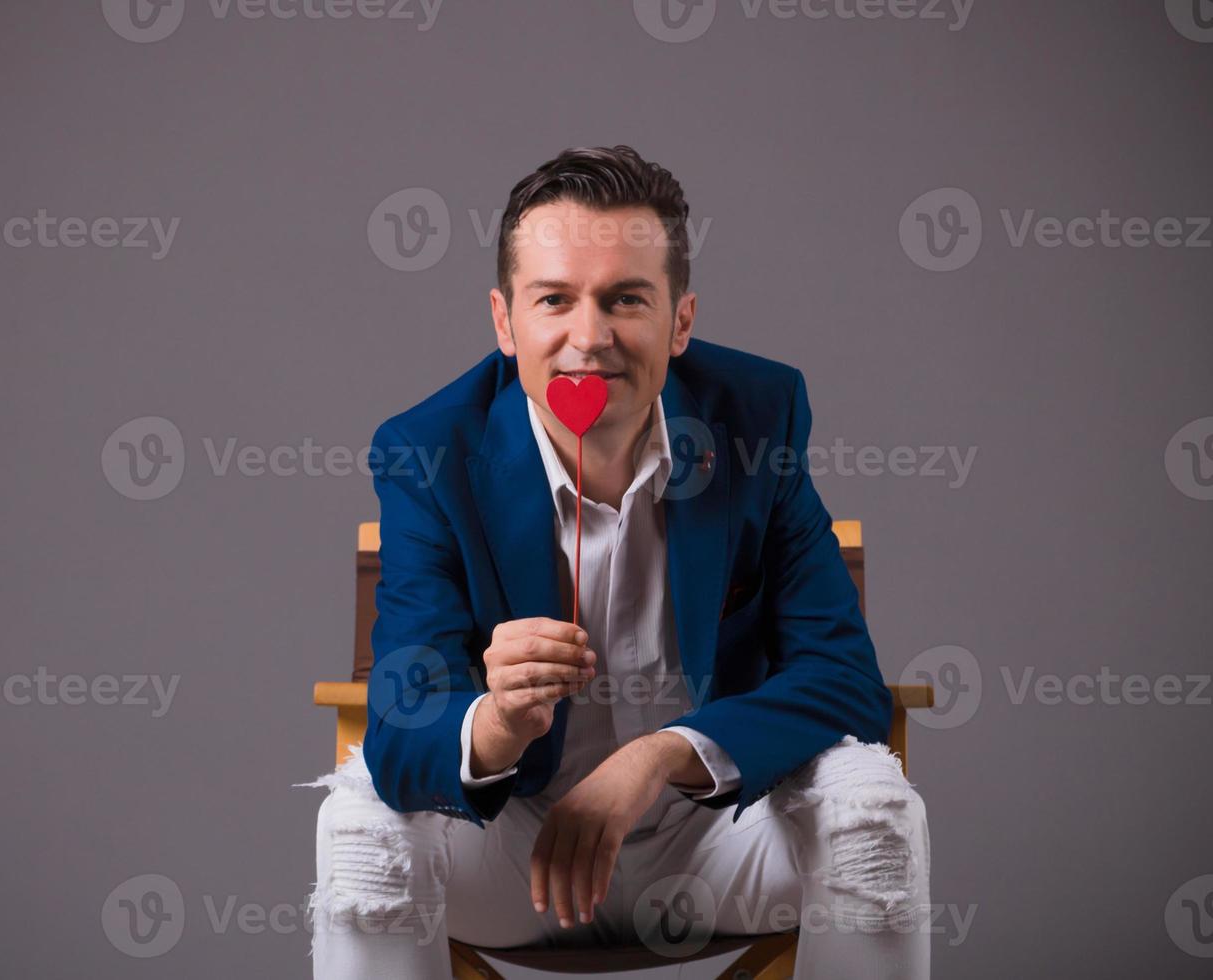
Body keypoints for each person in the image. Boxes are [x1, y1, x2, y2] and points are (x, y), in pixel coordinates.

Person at [300, 145, 931, 979]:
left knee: (877, 810)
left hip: (715, 841)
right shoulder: (429, 449)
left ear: (680, 320)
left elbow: (844, 676)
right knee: (361, 833)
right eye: (554, 299)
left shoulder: (756, 417)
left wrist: (661, 755)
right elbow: (402, 728)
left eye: (626, 299)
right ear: (504, 321)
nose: (588, 339)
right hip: (514, 853)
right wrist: (494, 722)